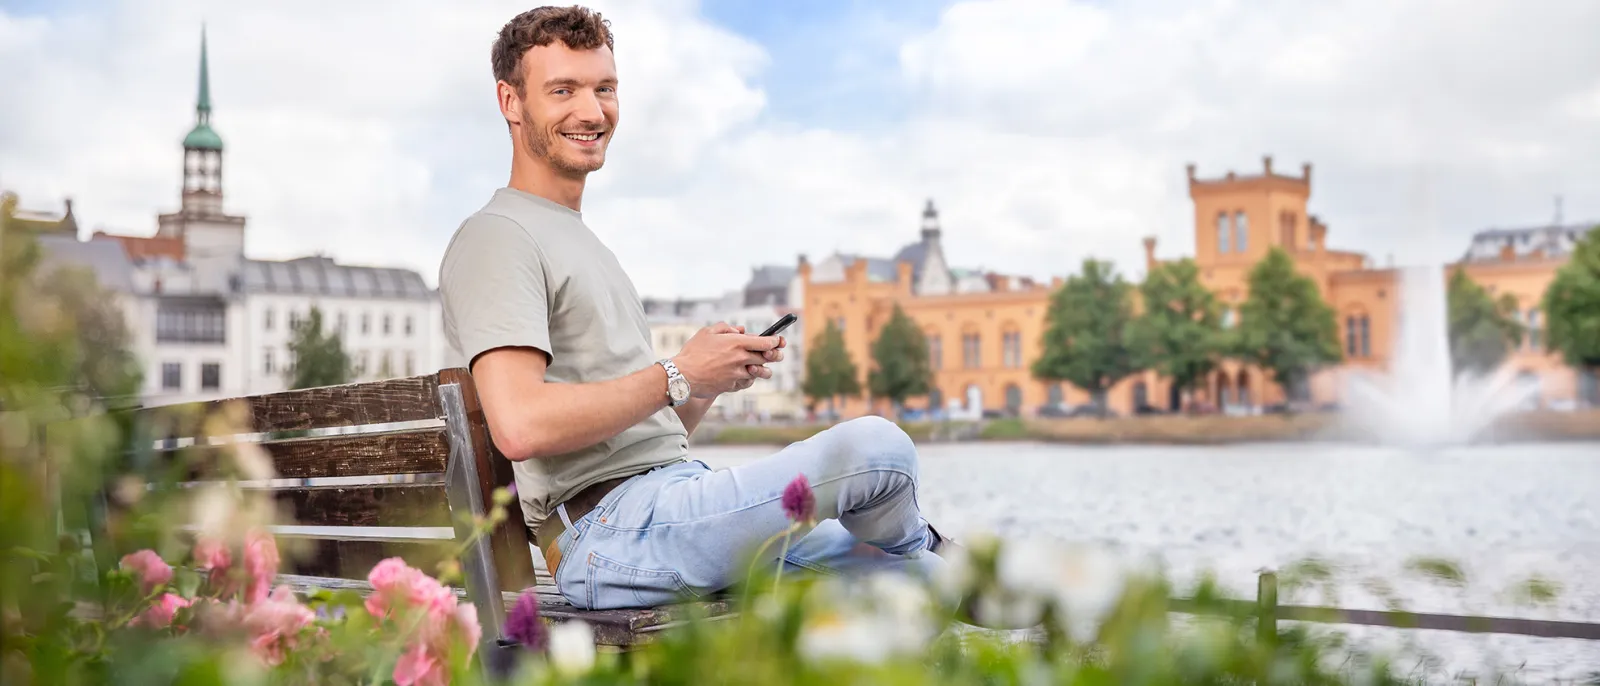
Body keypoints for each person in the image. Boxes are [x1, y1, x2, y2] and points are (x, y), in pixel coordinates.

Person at [439, 5, 951, 611]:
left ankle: (927, 557)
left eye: (604, 88)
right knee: (878, 449)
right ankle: (932, 542)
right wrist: (677, 373)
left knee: (929, 588)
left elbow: (638, 441)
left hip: (671, 507)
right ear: (511, 101)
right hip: (612, 533)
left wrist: (703, 384)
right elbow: (520, 425)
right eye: (563, 90)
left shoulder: (578, 239)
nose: (592, 110)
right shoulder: (499, 235)